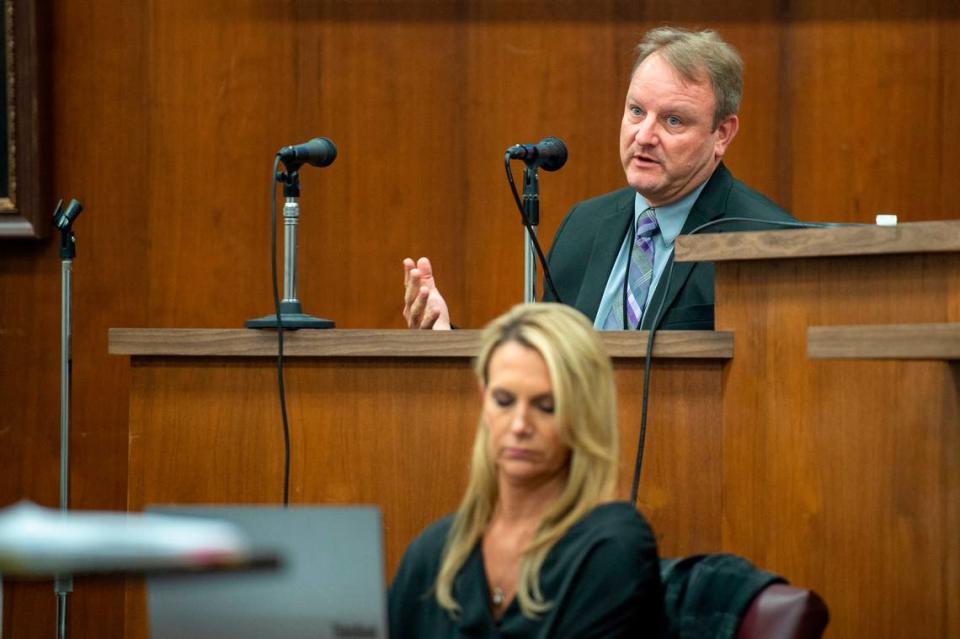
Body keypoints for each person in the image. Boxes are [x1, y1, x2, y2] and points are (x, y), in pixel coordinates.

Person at [403, 27, 796, 331]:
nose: (644, 135)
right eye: (637, 111)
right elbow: (543, 374)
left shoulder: (764, 240)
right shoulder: (584, 226)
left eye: (673, 120)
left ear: (722, 134)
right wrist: (445, 336)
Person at [388, 303, 663, 638]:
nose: (519, 425)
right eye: (504, 401)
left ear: (584, 414)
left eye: (546, 406)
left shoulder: (611, 547)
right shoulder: (432, 552)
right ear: (484, 399)